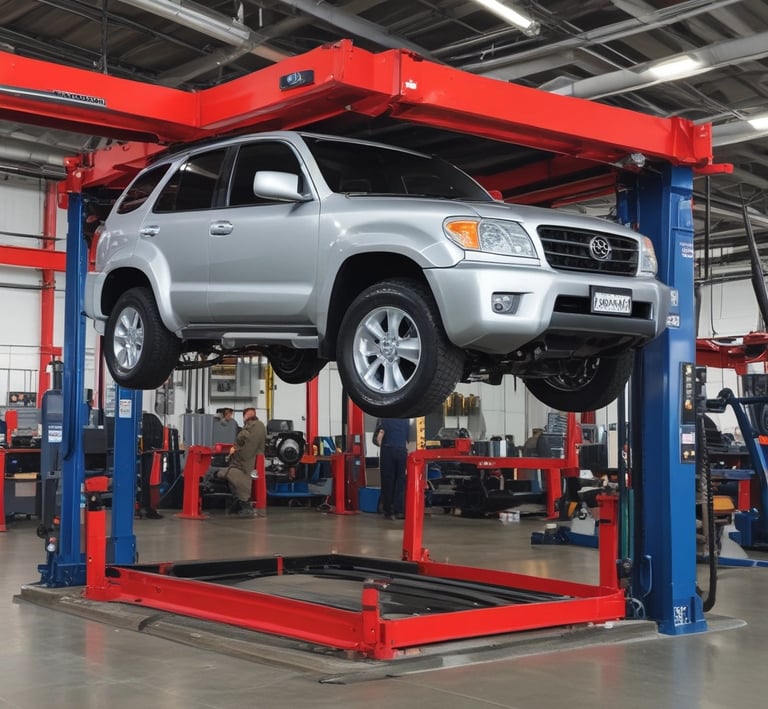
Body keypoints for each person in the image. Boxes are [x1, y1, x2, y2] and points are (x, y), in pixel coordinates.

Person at [214, 406, 266, 517]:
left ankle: (245, 505)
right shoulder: (245, 428)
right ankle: (239, 503)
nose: (250, 416)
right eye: (248, 415)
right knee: (226, 474)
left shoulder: (257, 426)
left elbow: (248, 449)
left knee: (231, 475)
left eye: (252, 414)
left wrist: (234, 456)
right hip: (244, 462)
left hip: (250, 463)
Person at [376, 417, 410, 520]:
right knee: (400, 481)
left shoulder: (385, 417)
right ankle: (399, 511)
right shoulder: (406, 418)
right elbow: (408, 438)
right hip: (401, 450)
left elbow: (380, 434)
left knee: (388, 481)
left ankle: (388, 511)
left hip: (388, 450)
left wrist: (380, 444)